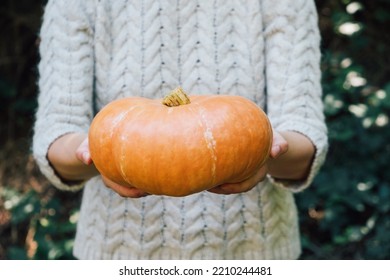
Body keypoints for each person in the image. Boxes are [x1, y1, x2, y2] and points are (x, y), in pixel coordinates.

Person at [33, 0, 328, 260]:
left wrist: (262, 152)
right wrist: (99, 152)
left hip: (254, 255)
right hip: (117, 256)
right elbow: (57, 138)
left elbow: (303, 138)